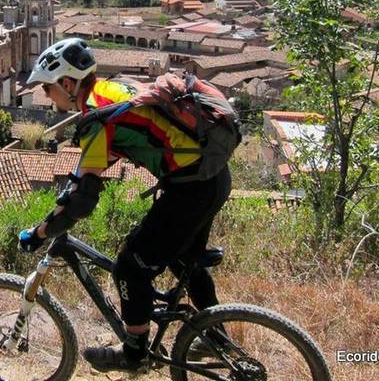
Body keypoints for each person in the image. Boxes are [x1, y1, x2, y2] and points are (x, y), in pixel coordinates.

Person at [19, 38, 232, 373]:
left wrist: (40, 231)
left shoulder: (97, 117)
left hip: (191, 188)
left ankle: (135, 355)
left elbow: (81, 201)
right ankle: (216, 337)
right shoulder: (116, 87)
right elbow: (138, 134)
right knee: (182, 257)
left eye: (48, 89)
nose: (47, 97)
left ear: (67, 83)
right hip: (215, 175)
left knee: (130, 266)